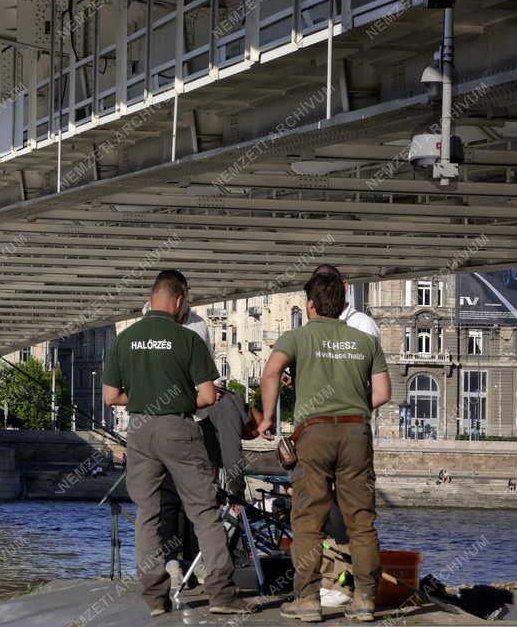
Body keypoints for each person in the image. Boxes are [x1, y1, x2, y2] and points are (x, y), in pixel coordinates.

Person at [103, 270, 256, 617]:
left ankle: (155, 599)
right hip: (179, 428)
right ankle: (221, 595)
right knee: (203, 510)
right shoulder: (187, 339)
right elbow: (206, 396)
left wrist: (144, 396)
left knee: (148, 513)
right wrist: (177, 398)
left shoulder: (126, 339)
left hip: (140, 429)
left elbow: (111, 396)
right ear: (179, 299)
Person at [258, 272, 391, 622]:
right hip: (355, 434)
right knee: (361, 521)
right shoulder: (365, 341)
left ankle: (308, 600)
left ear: (311, 305)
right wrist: (351, 406)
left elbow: (271, 372)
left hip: (313, 435)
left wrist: (267, 417)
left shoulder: (297, 337)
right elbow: (382, 394)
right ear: (343, 304)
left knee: (308, 521)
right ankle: (364, 599)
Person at [311, 265, 380, 340]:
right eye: (318, 288)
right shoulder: (314, 324)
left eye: (330, 287)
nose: (325, 293)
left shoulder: (363, 324)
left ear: (344, 287)